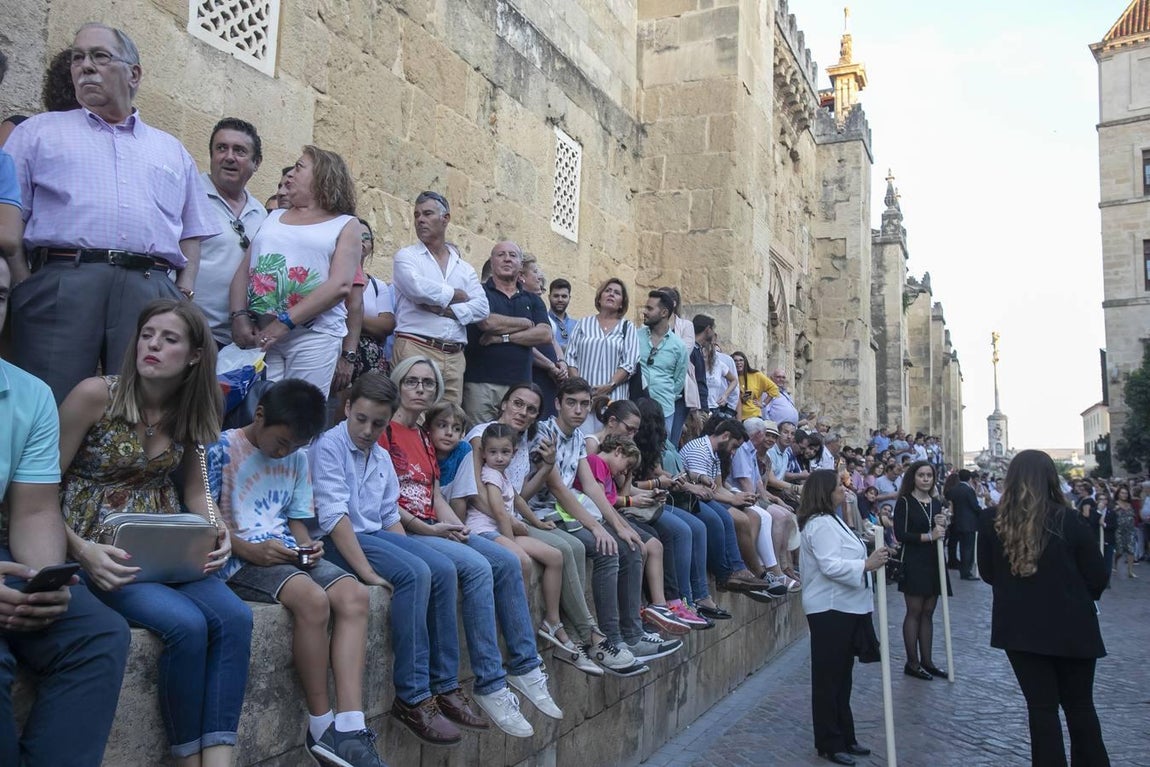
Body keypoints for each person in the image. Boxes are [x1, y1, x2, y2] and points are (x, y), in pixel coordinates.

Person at [57, 299, 252, 765]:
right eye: (147, 334)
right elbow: (40, 487)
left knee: (236, 618)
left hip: (166, 546)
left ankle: (219, 757)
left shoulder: (190, 409)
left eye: (169, 339)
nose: (153, 345)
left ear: (194, 356)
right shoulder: (94, 395)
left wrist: (216, 525)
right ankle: (187, 758)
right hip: (98, 550)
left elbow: (194, 489)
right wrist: (80, 550)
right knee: (186, 625)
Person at [5, 23, 218, 404]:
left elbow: (192, 231)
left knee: (140, 407)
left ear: (134, 73)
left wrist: (181, 293)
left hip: (150, 289)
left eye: (100, 57)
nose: (85, 66)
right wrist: (24, 281)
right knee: (48, 400)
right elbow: (11, 216)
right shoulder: (38, 132)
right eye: (77, 58)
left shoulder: (170, 149)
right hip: (61, 282)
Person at [209, 380, 387, 767]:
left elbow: (297, 520)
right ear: (260, 416)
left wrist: (308, 547)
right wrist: (248, 549)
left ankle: (351, 728)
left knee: (353, 595)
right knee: (312, 600)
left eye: (295, 446)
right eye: (282, 443)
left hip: (284, 549)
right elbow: (207, 523)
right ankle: (321, 728)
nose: (286, 452)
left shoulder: (299, 456)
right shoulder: (221, 449)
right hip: (238, 559)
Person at [381, 355, 561, 736]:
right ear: (397, 385)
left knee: (508, 562)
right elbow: (384, 500)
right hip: (404, 529)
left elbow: (431, 492)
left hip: (432, 524)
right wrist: (430, 530)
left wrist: (451, 524)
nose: (421, 389)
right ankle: (490, 684)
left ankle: (525, 667)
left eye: (428, 384)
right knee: (477, 567)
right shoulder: (386, 433)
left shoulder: (422, 437)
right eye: (412, 382)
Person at [0, 255, 131, 767]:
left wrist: (41, 582)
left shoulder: (28, 395)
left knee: (98, 633)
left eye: (1, 296)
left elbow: (33, 512)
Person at [310, 372, 475, 747]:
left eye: (379, 423)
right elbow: (334, 517)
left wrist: (407, 553)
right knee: (415, 574)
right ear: (348, 408)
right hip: (341, 539)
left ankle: (445, 683)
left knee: (442, 567)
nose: (368, 430)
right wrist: (370, 571)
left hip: (375, 535)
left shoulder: (382, 456)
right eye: (361, 419)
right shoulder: (329, 446)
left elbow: (389, 518)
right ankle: (412, 695)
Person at [463, 383, 606, 676]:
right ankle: (574, 633)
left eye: (530, 409)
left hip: (514, 517)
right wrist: (512, 525)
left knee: (568, 549)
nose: (523, 412)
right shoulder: (483, 435)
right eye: (517, 404)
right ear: (503, 404)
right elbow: (475, 494)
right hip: (486, 521)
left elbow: (519, 494)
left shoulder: (521, 443)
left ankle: (565, 628)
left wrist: (546, 466)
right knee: (562, 549)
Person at [978, 450, 1109, 767]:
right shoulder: (1069, 519)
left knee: (1041, 709)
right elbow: (1097, 575)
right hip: (1072, 624)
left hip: (1021, 627)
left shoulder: (993, 521)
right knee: (1079, 706)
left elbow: (987, 573)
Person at [228, 145, 359, 395]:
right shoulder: (273, 218)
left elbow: (340, 285)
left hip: (313, 337)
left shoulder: (345, 225)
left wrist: (284, 323)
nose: (290, 175)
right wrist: (239, 316)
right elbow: (244, 271)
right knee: (260, 410)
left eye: (299, 167)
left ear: (323, 176)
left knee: (298, 415)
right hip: (264, 334)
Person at [798, 469, 887, 766]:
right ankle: (829, 741)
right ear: (825, 491)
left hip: (847, 607)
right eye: (839, 486)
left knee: (842, 678)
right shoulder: (820, 524)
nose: (844, 490)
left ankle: (845, 735)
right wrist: (866, 565)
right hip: (830, 608)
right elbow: (830, 565)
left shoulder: (834, 520)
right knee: (829, 678)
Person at [391, 191, 489, 405]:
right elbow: (416, 288)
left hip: (454, 356)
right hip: (416, 346)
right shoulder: (406, 257)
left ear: (445, 219)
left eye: (427, 214)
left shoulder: (464, 269)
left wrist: (445, 310)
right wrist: (456, 295)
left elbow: (482, 308)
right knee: (410, 416)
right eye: (417, 215)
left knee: (448, 423)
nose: (420, 220)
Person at [196, 118, 267, 346]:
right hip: (192, 332)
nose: (228, 157)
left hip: (242, 339)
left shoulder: (261, 213)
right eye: (221, 148)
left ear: (256, 163)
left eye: (239, 151)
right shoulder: (190, 195)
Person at [463, 242, 551, 424]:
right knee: (477, 437)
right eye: (501, 255)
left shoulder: (532, 300)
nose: (507, 259)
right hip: (481, 383)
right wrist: (526, 323)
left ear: (520, 265)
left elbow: (544, 334)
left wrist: (502, 337)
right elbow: (487, 322)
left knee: (513, 440)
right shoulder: (479, 292)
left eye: (513, 255)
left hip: (519, 385)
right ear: (492, 262)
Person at [892, 460, 951, 681]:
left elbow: (939, 532)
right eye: (921, 475)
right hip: (915, 560)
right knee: (915, 611)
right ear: (913, 478)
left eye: (929, 475)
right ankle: (912, 662)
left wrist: (943, 524)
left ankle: (927, 661)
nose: (926, 479)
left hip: (933, 560)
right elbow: (901, 534)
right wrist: (929, 536)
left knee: (929, 612)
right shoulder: (905, 502)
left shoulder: (936, 502)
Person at [564, 277, 638, 430]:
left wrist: (609, 385)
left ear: (622, 302)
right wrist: (581, 389)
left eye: (617, 293)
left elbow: (630, 362)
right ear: (600, 296)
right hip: (583, 400)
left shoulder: (627, 327)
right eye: (608, 291)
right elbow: (571, 357)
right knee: (582, 444)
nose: (611, 294)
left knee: (608, 445)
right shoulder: (583, 323)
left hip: (613, 399)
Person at [637, 290, 688, 440]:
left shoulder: (679, 346)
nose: (644, 312)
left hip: (664, 410)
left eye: (650, 308)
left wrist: (666, 393)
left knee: (661, 453)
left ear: (664, 312)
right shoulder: (635, 336)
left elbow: (678, 381)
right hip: (636, 408)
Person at [945, 469, 981, 580]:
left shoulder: (954, 490)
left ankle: (963, 569)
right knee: (968, 548)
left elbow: (949, 500)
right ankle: (966, 572)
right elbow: (974, 506)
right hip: (969, 523)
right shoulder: (969, 490)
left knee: (961, 547)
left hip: (957, 522)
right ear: (969, 478)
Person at [732, 352, 777, 421]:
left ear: (745, 362)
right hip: (734, 416)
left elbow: (774, 388)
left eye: (741, 360)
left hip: (753, 415)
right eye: (735, 360)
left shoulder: (756, 375)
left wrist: (763, 404)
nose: (738, 363)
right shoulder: (730, 377)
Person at [1112, 484, 1138, 579]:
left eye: (1126, 493)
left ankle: (1130, 571)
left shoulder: (1130, 504)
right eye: (1122, 493)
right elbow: (1110, 515)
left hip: (1130, 530)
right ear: (1118, 494)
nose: (1124, 495)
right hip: (1119, 530)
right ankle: (1115, 564)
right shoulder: (1114, 503)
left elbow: (1135, 514)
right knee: (1120, 551)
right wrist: (1115, 510)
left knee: (1131, 550)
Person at [547, 277, 576, 351]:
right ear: (549, 297)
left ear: (569, 298)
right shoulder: (542, 320)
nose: (560, 300)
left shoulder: (577, 326)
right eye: (556, 296)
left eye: (564, 296)